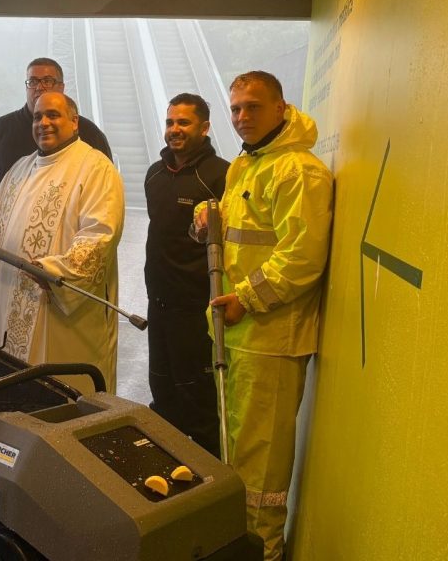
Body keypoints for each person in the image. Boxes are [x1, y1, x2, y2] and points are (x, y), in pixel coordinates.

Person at [194, 71, 333, 561]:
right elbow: (248, 233)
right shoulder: (247, 165)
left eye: (253, 107)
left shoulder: (298, 171)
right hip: (238, 336)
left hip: (272, 340)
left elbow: (302, 257)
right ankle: (239, 546)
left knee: (262, 472)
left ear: (281, 107)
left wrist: (246, 299)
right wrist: (210, 221)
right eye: (235, 109)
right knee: (238, 457)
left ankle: (264, 552)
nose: (242, 117)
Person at [0, 92, 124, 394]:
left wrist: (56, 271)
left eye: (53, 115)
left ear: (74, 121)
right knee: (12, 401)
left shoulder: (96, 168)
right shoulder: (20, 168)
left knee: (60, 403)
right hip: (10, 302)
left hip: (59, 311)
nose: (44, 123)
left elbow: (100, 234)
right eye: (38, 117)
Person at [144, 93, 229, 458]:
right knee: (163, 398)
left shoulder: (221, 175)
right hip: (158, 308)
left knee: (198, 404)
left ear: (205, 127)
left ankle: (207, 482)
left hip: (197, 312)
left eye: (184, 122)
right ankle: (167, 474)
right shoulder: (155, 174)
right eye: (170, 122)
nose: (174, 130)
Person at [0, 57, 113, 198]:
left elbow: (104, 188)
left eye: (47, 81)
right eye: (33, 81)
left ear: (62, 87)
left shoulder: (90, 134)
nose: (39, 87)